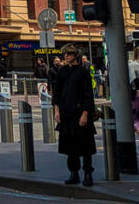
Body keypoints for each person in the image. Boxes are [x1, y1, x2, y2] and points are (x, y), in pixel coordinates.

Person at [53, 44, 97, 187]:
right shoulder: (62, 71)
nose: (66, 56)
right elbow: (57, 92)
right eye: (65, 54)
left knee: (85, 146)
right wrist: (56, 110)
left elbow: (88, 95)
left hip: (80, 113)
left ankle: (88, 173)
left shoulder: (83, 72)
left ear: (75, 55)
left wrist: (85, 113)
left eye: (69, 53)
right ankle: (74, 173)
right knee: (70, 147)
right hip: (66, 114)